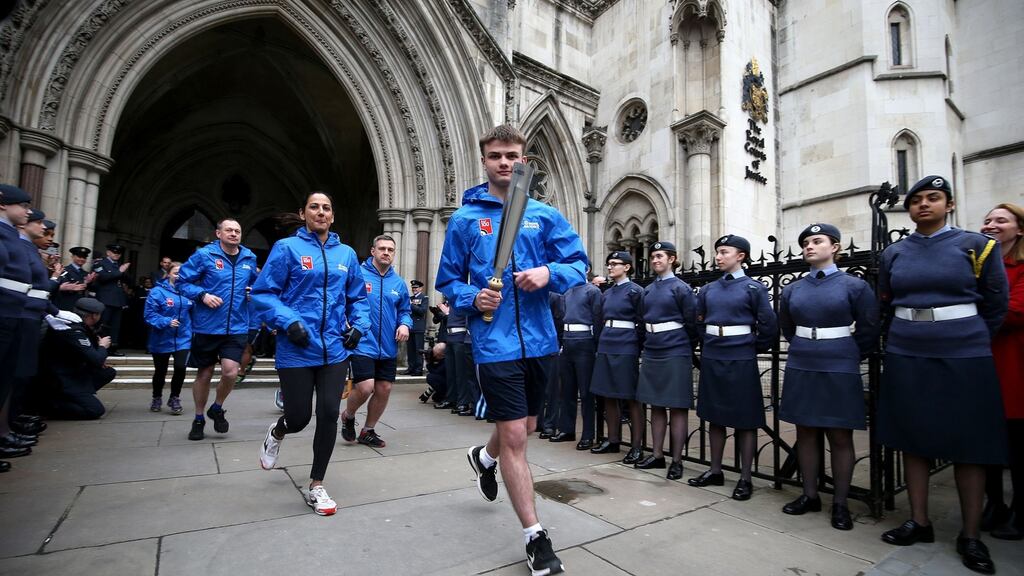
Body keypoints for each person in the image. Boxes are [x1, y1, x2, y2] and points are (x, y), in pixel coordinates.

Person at [435, 124, 586, 575]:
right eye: (496, 155)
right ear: (485, 161)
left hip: (540, 340)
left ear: (524, 160)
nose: (505, 162)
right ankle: (535, 537)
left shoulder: (545, 214)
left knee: (528, 426)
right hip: (493, 343)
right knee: (517, 437)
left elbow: (579, 265)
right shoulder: (465, 220)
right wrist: (472, 298)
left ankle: (484, 457)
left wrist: (548, 273)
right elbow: (448, 282)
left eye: (512, 155)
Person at [876, 176, 1008, 574]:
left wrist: (968, 339)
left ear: (949, 204)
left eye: (933, 198)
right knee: (912, 438)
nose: (923, 205)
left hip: (964, 352)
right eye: (916, 200)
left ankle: (970, 535)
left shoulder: (977, 245)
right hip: (907, 349)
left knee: (970, 445)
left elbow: (996, 303)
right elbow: (886, 300)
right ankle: (920, 521)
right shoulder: (895, 253)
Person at [254, 192, 368, 516]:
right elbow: (263, 294)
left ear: (332, 216)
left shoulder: (346, 254)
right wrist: (288, 322)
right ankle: (278, 432)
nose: (321, 212)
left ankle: (316, 485)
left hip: (334, 349)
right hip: (297, 349)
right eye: (314, 207)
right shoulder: (286, 249)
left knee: (329, 412)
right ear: (303, 213)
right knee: (299, 417)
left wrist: (359, 325)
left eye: (327, 208)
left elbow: (358, 299)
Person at [777, 224, 879, 530]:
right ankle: (810, 495)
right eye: (806, 242)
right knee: (805, 431)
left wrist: (847, 354)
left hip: (840, 362)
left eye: (817, 241)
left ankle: (840, 503)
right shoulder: (793, 288)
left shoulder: (853, 285)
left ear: (834, 247)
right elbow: (786, 327)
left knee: (840, 434)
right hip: (802, 361)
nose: (809, 246)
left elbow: (869, 328)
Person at [689, 234, 778, 501]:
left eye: (724, 251)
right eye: (717, 252)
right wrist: (712, 343)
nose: (718, 256)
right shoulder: (708, 290)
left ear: (741, 256)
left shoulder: (754, 288)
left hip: (741, 357)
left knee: (745, 419)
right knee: (714, 416)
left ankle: (745, 477)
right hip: (714, 355)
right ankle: (715, 470)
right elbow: (699, 323)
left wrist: (750, 348)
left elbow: (769, 326)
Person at [176, 218, 259, 441]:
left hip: (237, 326)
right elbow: (181, 282)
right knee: (204, 373)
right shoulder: (204, 256)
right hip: (207, 326)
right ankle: (199, 418)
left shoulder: (249, 258)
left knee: (231, 371)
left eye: (238, 230)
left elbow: (257, 284)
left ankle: (217, 406)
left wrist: (254, 291)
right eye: (229, 230)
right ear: (218, 233)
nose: (234, 233)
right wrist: (203, 295)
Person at [340, 235, 411, 449]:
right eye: (382, 249)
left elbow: (405, 311)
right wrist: (345, 323)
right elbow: (342, 301)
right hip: (363, 342)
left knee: (384, 388)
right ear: (373, 251)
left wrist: (405, 324)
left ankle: (368, 431)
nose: (386, 253)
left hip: (387, 346)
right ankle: (348, 415)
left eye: (390, 249)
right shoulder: (358, 275)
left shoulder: (398, 283)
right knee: (365, 387)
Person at [635, 242, 698, 480]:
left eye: (660, 256)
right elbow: (642, 320)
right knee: (656, 405)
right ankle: (658, 455)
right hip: (652, 350)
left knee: (678, 407)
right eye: (652, 256)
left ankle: (677, 461)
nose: (655, 260)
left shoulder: (681, 288)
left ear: (672, 259)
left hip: (676, 350)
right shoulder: (648, 290)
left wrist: (684, 347)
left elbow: (692, 324)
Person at [980, 203, 1024, 540]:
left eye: (1001, 220)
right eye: (988, 220)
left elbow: (1012, 312)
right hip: (980, 363)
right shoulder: (976, 267)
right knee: (987, 444)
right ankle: (994, 502)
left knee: (1018, 444)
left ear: (1018, 229)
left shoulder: (1019, 268)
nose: (992, 225)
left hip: (1013, 365)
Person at [589, 251, 644, 462]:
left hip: (626, 345)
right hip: (606, 344)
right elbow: (600, 320)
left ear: (627, 267)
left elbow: (641, 322)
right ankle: (612, 440)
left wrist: (635, 346)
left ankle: (637, 445)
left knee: (630, 398)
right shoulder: (607, 293)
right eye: (609, 264)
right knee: (608, 394)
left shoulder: (636, 291)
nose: (610, 267)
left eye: (615, 264)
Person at [0, 186, 40, 467]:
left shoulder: (11, 236)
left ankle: (5, 429)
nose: (28, 212)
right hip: (10, 313)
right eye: (24, 206)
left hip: (17, 314)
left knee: (11, 377)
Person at [40, 297, 116, 420]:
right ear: (94, 316)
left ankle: (79, 395)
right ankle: (50, 405)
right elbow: (96, 359)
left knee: (107, 372)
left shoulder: (73, 324)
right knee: (95, 410)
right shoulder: (73, 330)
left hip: (71, 371)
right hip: (61, 378)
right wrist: (102, 346)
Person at [555, 269, 602, 450]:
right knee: (566, 390)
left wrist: (595, 346)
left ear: (586, 270)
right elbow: (560, 319)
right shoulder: (566, 291)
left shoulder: (592, 291)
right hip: (567, 341)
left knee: (586, 392)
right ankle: (567, 429)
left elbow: (598, 318)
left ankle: (588, 434)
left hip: (585, 342)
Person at [144, 261, 192, 415]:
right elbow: (149, 314)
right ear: (169, 273)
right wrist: (166, 321)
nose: (179, 275)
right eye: (176, 272)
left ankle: (174, 397)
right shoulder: (157, 292)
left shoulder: (190, 291)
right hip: (161, 338)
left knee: (180, 367)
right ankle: (156, 397)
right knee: (160, 371)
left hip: (183, 338)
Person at [89, 243, 130, 356]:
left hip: (118, 300)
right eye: (114, 252)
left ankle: (113, 347)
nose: (116, 255)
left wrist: (122, 272)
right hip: (105, 299)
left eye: (118, 253)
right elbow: (103, 277)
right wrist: (120, 272)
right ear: (108, 253)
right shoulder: (100, 263)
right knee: (103, 324)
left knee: (115, 326)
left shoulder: (119, 266)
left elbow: (127, 280)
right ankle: (101, 347)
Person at [54, 246, 95, 311]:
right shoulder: (65, 270)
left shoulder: (86, 273)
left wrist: (89, 282)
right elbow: (66, 285)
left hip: (79, 305)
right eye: (79, 257)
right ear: (72, 257)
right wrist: (85, 282)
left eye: (84, 257)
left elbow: (89, 289)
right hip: (66, 303)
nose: (82, 259)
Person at [403, 279, 428, 375]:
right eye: (413, 288)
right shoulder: (410, 298)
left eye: (416, 287)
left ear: (420, 288)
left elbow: (422, 311)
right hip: (410, 327)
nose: (414, 289)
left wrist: (411, 305)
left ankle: (418, 369)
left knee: (418, 350)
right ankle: (411, 368)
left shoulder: (424, 298)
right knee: (410, 350)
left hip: (419, 327)